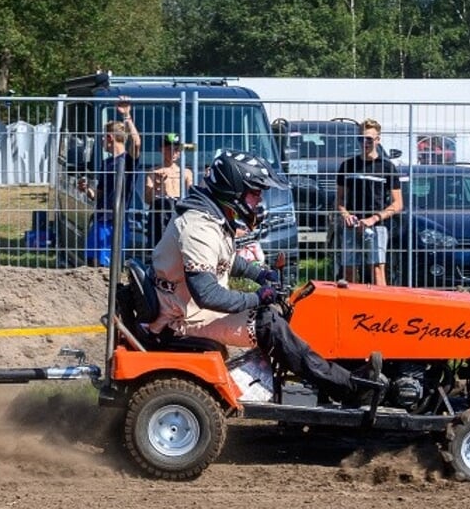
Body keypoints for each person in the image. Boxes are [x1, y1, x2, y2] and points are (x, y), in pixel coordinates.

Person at [143, 149, 385, 405]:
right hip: (180, 318)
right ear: (234, 189)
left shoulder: (210, 216)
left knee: (280, 314)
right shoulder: (198, 226)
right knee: (268, 322)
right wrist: (258, 296)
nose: (259, 200)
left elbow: (225, 259)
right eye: (255, 192)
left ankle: (322, 379)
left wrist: (260, 273)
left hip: (186, 307)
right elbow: (207, 294)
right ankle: (348, 388)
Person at [334, 118, 403, 285]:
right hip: (352, 225)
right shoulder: (347, 166)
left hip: (376, 225)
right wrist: (346, 215)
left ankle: (382, 306)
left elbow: (398, 204)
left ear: (378, 140)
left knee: (377, 268)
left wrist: (374, 218)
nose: (365, 143)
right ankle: (352, 306)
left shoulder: (387, 167)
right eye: (361, 138)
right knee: (349, 269)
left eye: (369, 139)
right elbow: (339, 200)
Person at [77, 97, 141, 266]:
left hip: (117, 220)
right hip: (100, 219)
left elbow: (136, 142)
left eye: (103, 138)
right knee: (92, 261)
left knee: (110, 265)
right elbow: (99, 194)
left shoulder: (127, 160)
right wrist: (86, 190)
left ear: (110, 137)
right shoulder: (106, 163)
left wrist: (127, 116)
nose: (102, 141)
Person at [144, 132, 194, 246]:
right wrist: (157, 186)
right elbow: (147, 199)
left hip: (178, 208)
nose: (173, 153)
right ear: (162, 149)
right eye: (169, 149)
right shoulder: (153, 172)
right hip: (160, 210)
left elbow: (193, 193)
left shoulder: (185, 172)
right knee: (158, 242)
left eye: (176, 149)